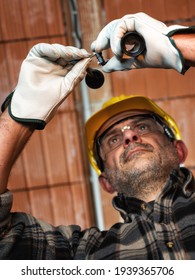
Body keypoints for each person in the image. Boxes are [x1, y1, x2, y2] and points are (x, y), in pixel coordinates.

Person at [0, 12, 195, 260]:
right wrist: (18, 116)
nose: (130, 137)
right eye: (113, 140)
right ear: (106, 182)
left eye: (143, 127)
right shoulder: (83, 256)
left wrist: (176, 45)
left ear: (179, 150)